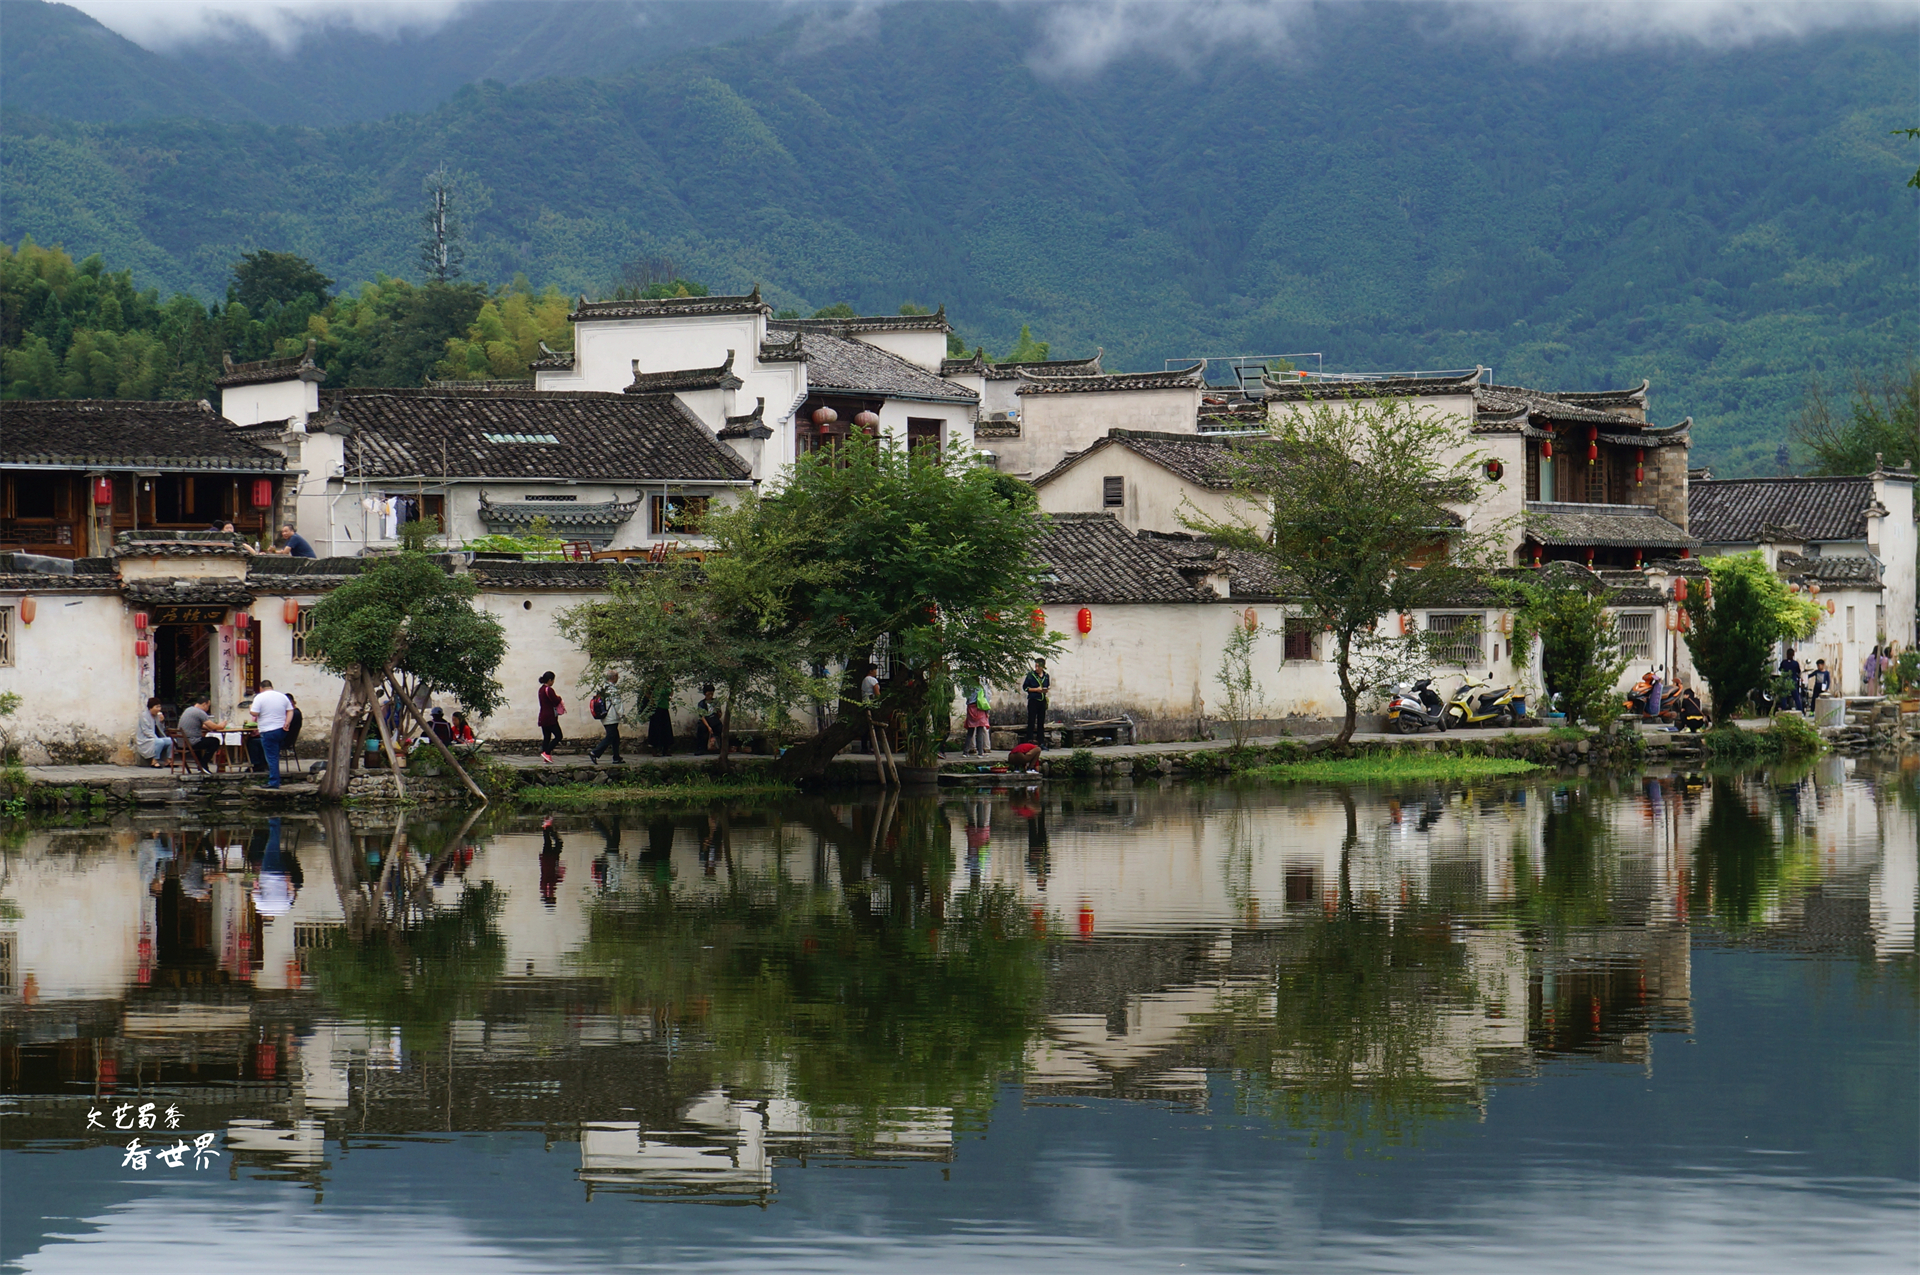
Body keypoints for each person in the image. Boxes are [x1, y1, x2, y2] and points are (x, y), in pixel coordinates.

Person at [249, 679, 293, 788]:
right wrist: (287, 722)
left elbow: (255, 712)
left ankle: (274, 782)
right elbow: (290, 710)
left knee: (271, 757)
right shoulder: (282, 696)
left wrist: (250, 708)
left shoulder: (259, 697)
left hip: (268, 730)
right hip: (281, 729)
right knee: (275, 754)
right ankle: (276, 778)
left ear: (261, 688)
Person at [589, 670, 625, 765]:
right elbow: (617, 703)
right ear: (613, 677)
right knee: (610, 736)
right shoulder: (612, 689)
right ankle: (595, 752)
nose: (617, 679)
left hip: (605, 715)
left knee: (615, 737)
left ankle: (616, 757)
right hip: (611, 716)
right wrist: (622, 714)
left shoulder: (604, 687)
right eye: (617, 676)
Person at [178, 693, 219, 772]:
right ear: (204, 704)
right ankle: (203, 763)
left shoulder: (189, 709)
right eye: (208, 706)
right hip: (191, 741)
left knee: (202, 740)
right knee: (215, 741)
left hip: (181, 741)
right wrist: (222, 725)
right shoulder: (200, 712)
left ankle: (200, 765)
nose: (208, 708)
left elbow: (199, 724)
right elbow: (214, 727)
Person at [134, 697, 173, 768]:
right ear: (151, 708)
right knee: (160, 742)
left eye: (159, 706)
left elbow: (161, 729)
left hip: (156, 738)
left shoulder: (157, 716)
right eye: (157, 707)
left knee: (171, 740)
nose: (159, 709)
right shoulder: (144, 716)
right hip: (145, 739)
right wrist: (157, 739)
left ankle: (168, 760)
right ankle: (154, 760)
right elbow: (146, 731)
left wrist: (161, 721)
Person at [1022, 659, 1051, 747]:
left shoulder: (1046, 676)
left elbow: (1047, 685)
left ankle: (1040, 741)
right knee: (1031, 720)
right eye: (1036, 666)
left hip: (1042, 700)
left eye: (1039, 666)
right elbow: (1025, 688)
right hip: (1033, 700)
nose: (1037, 668)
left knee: (1041, 722)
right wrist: (1036, 690)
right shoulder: (1031, 675)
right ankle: (1029, 740)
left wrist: (1045, 690)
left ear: (1043, 667)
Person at [536, 671, 564, 762]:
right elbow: (555, 700)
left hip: (543, 716)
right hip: (550, 717)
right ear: (549, 680)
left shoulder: (541, 690)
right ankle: (547, 753)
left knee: (547, 737)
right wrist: (559, 698)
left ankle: (546, 757)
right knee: (558, 736)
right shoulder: (549, 690)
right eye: (553, 680)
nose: (553, 682)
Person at [646, 679, 675, 757]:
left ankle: (665, 749)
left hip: (665, 707)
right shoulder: (654, 682)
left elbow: (671, 690)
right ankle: (655, 749)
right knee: (656, 729)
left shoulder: (668, 683)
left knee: (666, 729)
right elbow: (647, 691)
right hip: (656, 708)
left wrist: (669, 696)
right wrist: (652, 700)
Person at [964, 683, 992, 756]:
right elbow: (986, 698)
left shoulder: (968, 685)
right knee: (980, 731)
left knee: (970, 732)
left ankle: (965, 752)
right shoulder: (982, 685)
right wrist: (987, 712)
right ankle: (980, 753)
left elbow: (965, 696)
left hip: (970, 708)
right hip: (980, 709)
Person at [693, 684, 722, 753]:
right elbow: (702, 716)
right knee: (701, 728)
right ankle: (701, 749)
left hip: (714, 719)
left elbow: (719, 715)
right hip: (705, 721)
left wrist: (717, 711)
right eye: (709, 694)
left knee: (719, 726)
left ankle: (717, 747)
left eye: (712, 694)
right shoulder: (701, 703)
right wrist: (708, 727)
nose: (711, 695)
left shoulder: (716, 702)